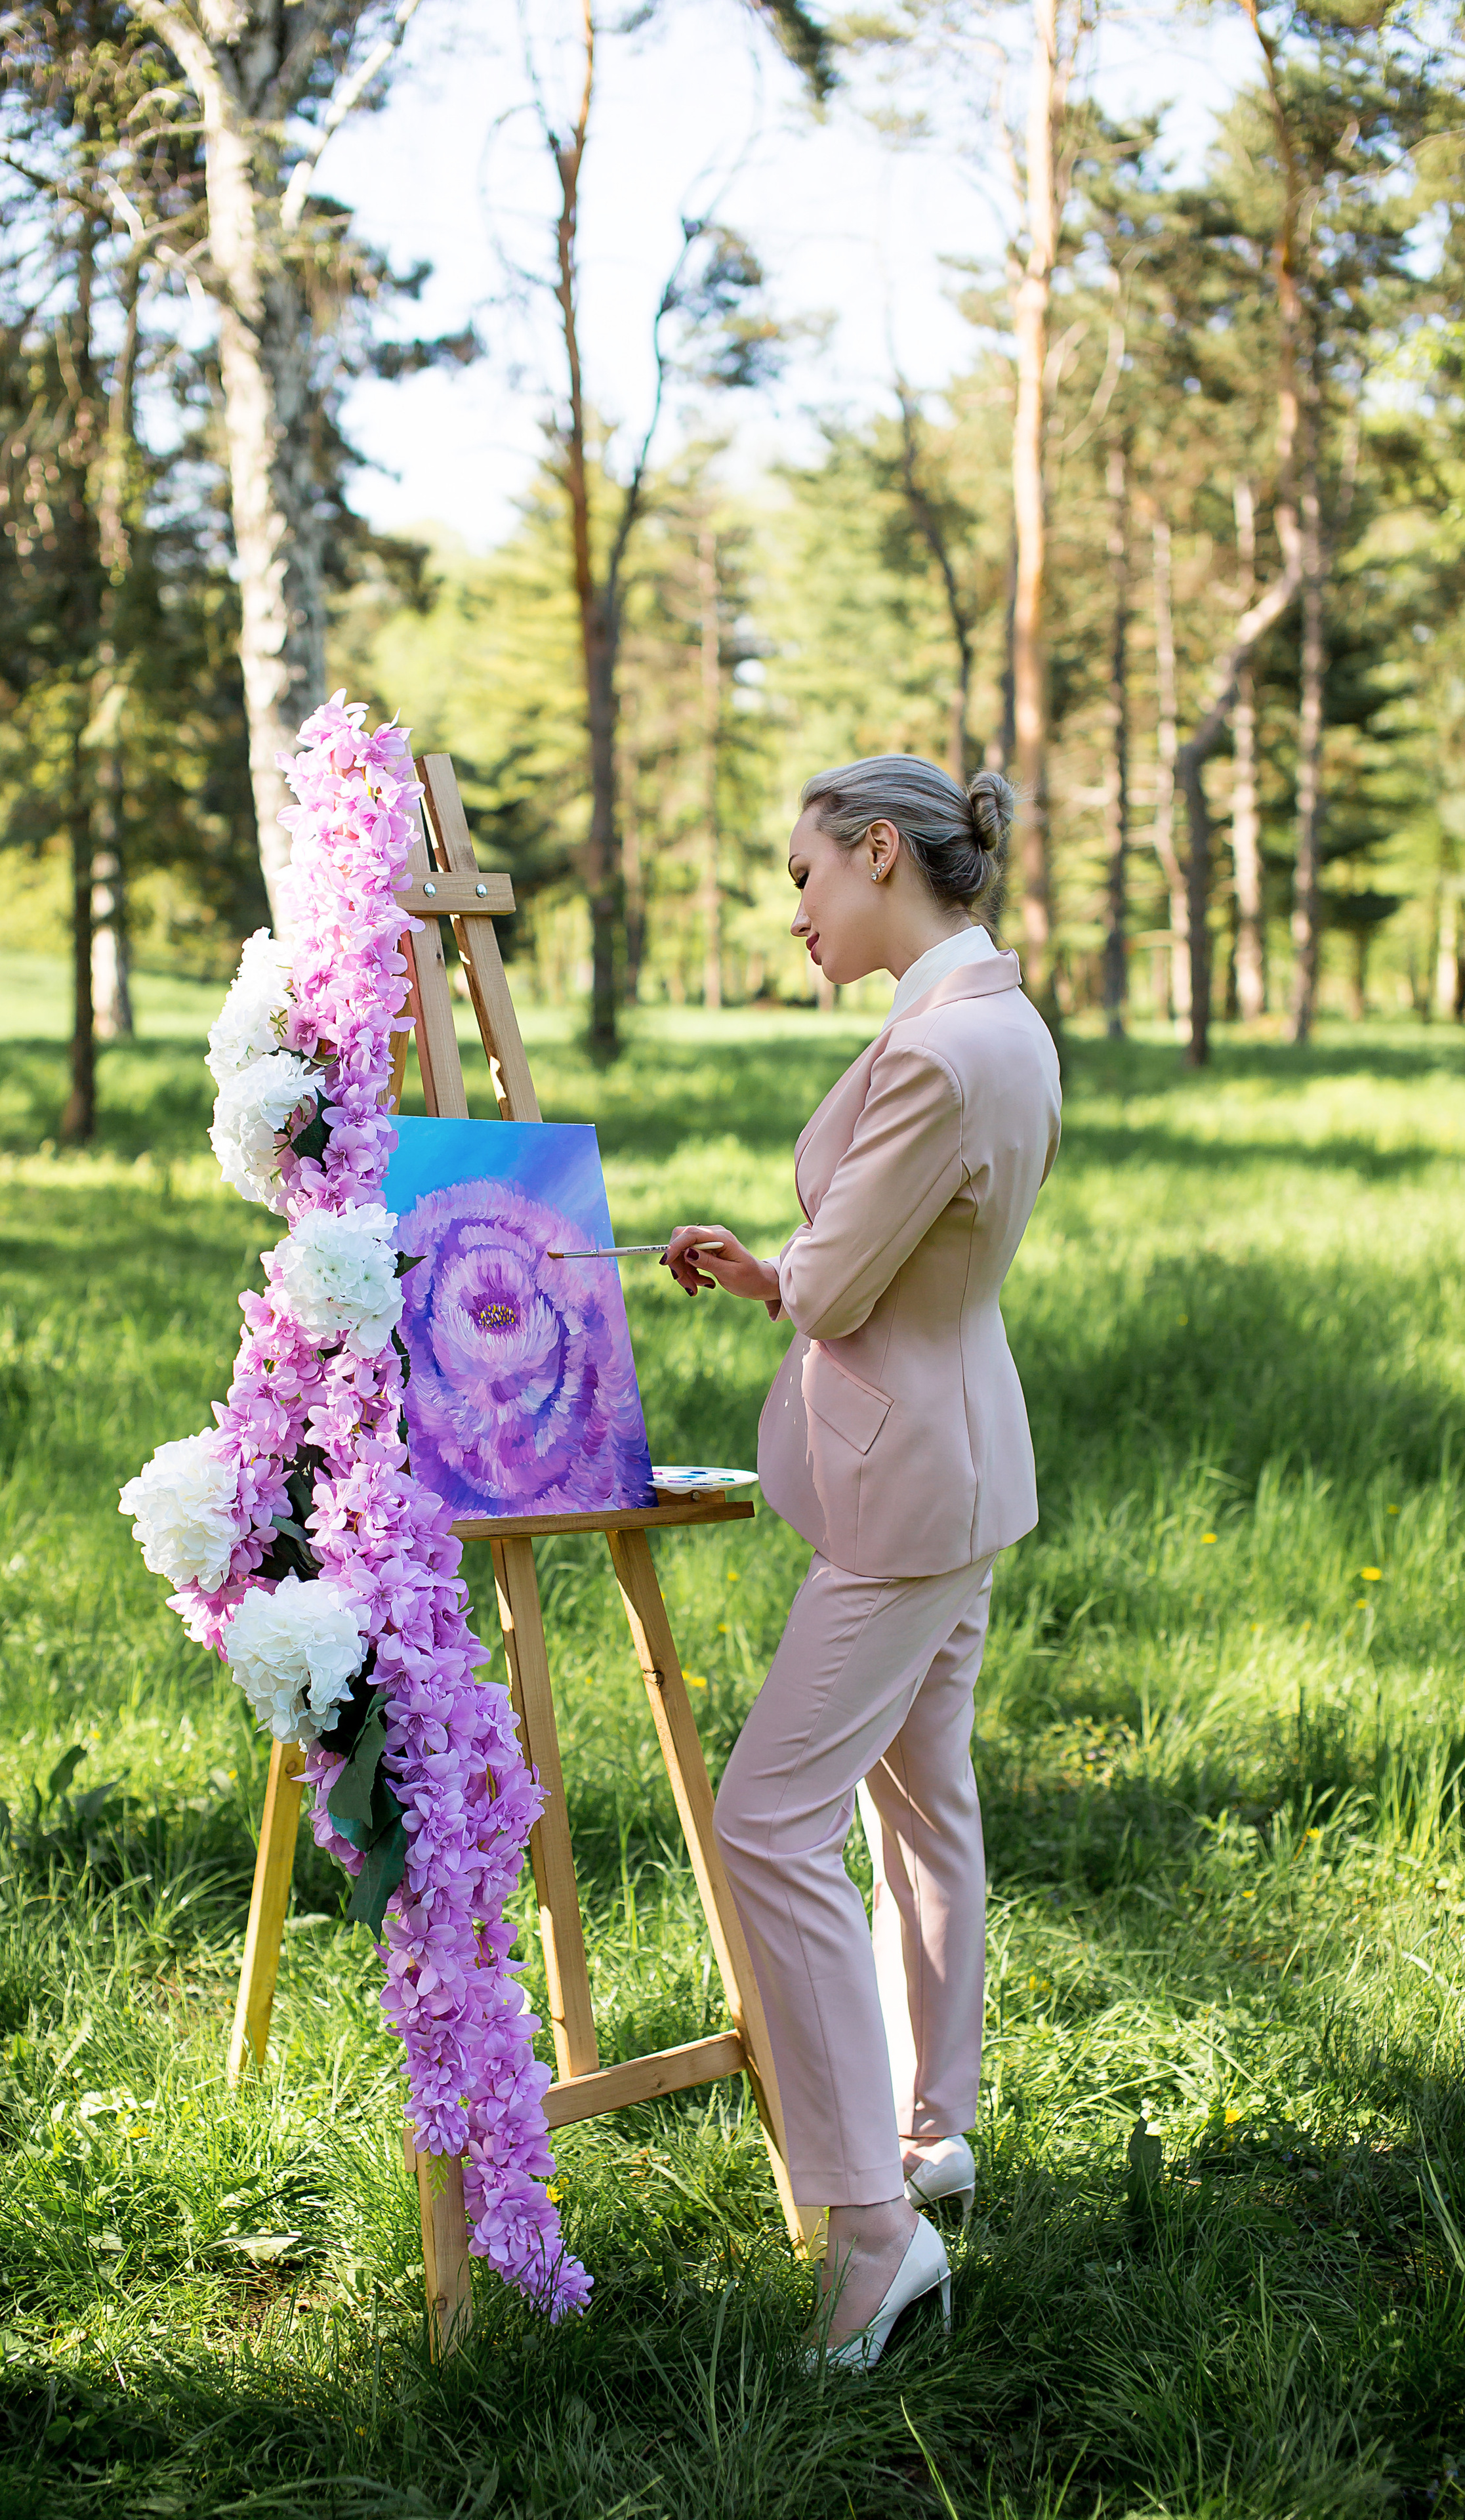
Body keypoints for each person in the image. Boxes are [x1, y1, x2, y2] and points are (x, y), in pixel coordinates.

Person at [662, 754, 1060, 2373]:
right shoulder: (999, 1022)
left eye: (804, 874)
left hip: (905, 1493)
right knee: (922, 1802)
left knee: (765, 1820)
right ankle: (929, 2127)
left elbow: (839, 1291)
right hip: (960, 1455)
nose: (796, 908)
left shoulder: (935, 1054)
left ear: (881, 852)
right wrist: (777, 1272)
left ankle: (870, 2227)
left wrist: (792, 1277)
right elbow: (887, 1265)